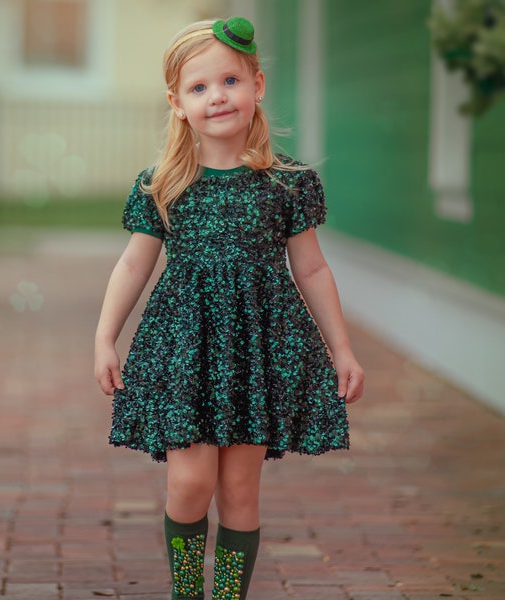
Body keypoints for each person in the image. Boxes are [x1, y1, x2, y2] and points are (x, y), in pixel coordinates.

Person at [94, 16, 364, 600]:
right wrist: (103, 338)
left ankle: (227, 597)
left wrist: (341, 348)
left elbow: (311, 268)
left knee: (240, 490)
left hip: (257, 349)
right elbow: (133, 266)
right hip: (187, 348)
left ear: (257, 86)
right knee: (190, 482)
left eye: (230, 81)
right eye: (199, 88)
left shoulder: (287, 183)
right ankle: (189, 590)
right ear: (178, 104)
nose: (216, 96)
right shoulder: (164, 184)